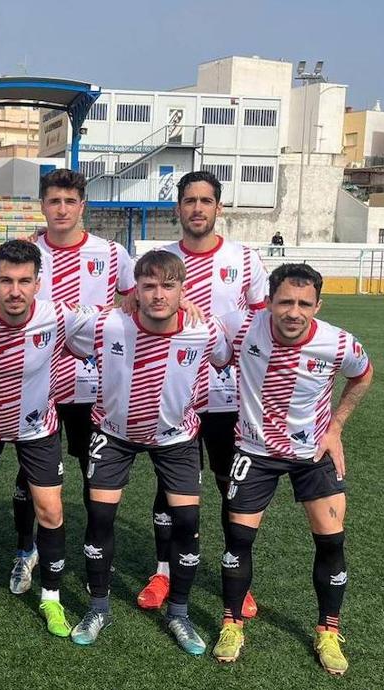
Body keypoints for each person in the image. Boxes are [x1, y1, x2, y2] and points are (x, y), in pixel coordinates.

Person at [210, 263, 373, 676]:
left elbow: (363, 375)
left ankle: (329, 631)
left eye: (304, 303)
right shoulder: (240, 326)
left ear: (318, 305)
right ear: (269, 302)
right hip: (255, 450)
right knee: (238, 540)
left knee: (331, 542)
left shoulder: (338, 343)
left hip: (312, 454)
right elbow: (197, 327)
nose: (294, 312)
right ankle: (232, 625)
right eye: (285, 302)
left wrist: (336, 427)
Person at [65, 249, 228, 651]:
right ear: (134, 289)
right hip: (114, 433)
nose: (158, 294)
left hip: (176, 438)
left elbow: (225, 356)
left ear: (183, 290)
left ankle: (179, 613)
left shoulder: (204, 330)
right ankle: (98, 607)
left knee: (187, 522)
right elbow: (65, 330)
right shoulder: (106, 323)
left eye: (168, 286)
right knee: (100, 517)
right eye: (149, 285)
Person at [0, 239, 92, 638]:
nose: (15, 290)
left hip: (37, 427)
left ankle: (51, 598)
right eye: (6, 280)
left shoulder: (58, 314)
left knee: (51, 511)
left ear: (38, 283)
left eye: (25, 281)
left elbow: (118, 316)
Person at [140, 170, 268, 618]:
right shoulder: (159, 260)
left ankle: (237, 578)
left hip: (229, 398)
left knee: (231, 486)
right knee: (171, 487)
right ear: (178, 208)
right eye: (190, 201)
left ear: (218, 207)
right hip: (171, 395)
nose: (197, 208)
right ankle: (163, 572)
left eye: (206, 201)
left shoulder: (245, 259)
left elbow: (262, 326)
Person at [8, 168, 134, 596]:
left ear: (82, 206)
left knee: (94, 474)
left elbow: (134, 302)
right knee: (29, 475)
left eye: (69, 201)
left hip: (92, 386)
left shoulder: (111, 253)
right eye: (53, 201)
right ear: (42, 205)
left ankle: (94, 553)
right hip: (35, 383)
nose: (61, 209)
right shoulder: (27, 251)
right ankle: (25, 550)